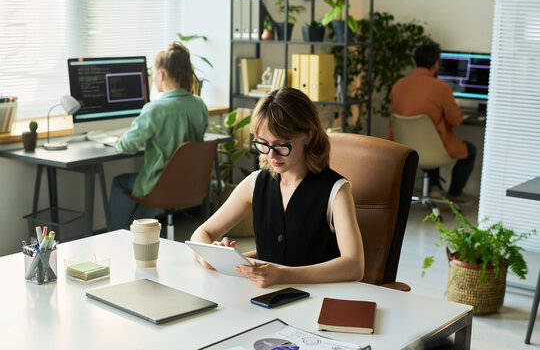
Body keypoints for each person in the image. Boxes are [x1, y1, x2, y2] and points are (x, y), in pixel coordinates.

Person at [190, 87, 364, 288]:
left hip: (318, 301)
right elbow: (202, 232)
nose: (271, 155)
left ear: (308, 135)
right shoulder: (256, 183)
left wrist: (283, 275)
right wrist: (210, 255)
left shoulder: (336, 191)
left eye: (282, 145)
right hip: (265, 299)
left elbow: (354, 266)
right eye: (263, 144)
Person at [109, 41, 208, 230]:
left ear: (161, 74)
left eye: (153, 72)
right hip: (191, 184)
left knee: (121, 183)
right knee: (146, 186)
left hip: (160, 186)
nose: (152, 76)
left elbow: (128, 146)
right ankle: (143, 232)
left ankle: (117, 234)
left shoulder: (155, 109)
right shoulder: (199, 104)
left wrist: (121, 139)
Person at [387, 42, 476, 204]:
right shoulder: (442, 88)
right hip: (432, 148)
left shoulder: (398, 85)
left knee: (431, 137)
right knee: (469, 150)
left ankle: (435, 187)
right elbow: (456, 121)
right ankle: (454, 194)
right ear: (436, 64)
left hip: (403, 147)